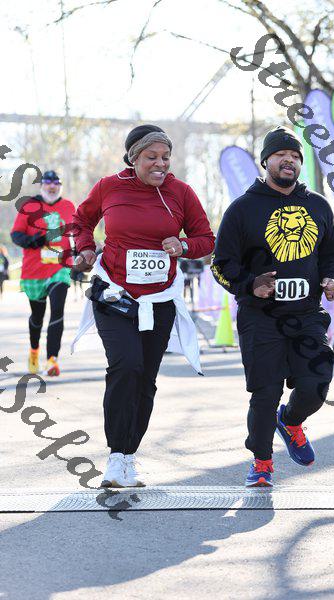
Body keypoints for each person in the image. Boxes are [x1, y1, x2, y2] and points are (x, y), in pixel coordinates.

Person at [72, 124, 215, 488]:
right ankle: (115, 457)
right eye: (152, 157)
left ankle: (129, 456)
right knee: (126, 366)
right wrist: (85, 248)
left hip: (159, 300)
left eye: (166, 157)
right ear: (133, 158)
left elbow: (206, 239)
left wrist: (183, 246)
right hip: (114, 295)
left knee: (146, 379)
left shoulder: (181, 192)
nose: (160, 164)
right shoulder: (109, 187)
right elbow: (82, 220)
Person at [211, 126, 334, 487]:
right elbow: (221, 264)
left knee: (317, 383)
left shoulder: (318, 205)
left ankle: (292, 421)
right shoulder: (243, 209)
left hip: (306, 315)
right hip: (260, 317)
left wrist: (331, 278)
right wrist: (250, 284)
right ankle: (262, 462)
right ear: (266, 161)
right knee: (265, 393)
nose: (289, 160)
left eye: (295, 156)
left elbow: (331, 254)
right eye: (281, 154)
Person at [10, 170, 75, 376]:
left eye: (56, 183)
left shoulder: (69, 206)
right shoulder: (30, 205)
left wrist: (81, 255)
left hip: (60, 267)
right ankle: (34, 351)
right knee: (37, 317)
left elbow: (78, 233)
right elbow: (16, 235)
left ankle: (52, 360)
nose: (52, 186)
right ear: (41, 186)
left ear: (60, 186)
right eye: (48, 183)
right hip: (34, 270)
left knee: (57, 310)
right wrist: (32, 241)